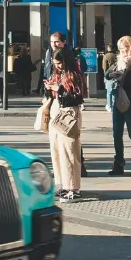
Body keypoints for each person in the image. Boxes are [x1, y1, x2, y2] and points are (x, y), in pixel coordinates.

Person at [40, 33, 85, 202]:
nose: (57, 67)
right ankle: (62, 185)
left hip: (68, 113)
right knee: (56, 150)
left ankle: (73, 188)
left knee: (69, 151)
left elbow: (77, 97)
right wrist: (49, 88)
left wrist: (58, 88)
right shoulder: (56, 74)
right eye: (55, 63)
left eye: (60, 64)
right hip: (55, 111)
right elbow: (49, 91)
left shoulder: (74, 75)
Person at [103, 35, 131, 176]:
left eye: (126, 48)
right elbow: (106, 74)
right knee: (117, 133)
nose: (123, 51)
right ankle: (119, 162)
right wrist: (116, 73)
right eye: (121, 49)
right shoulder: (120, 61)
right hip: (119, 99)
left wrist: (123, 72)